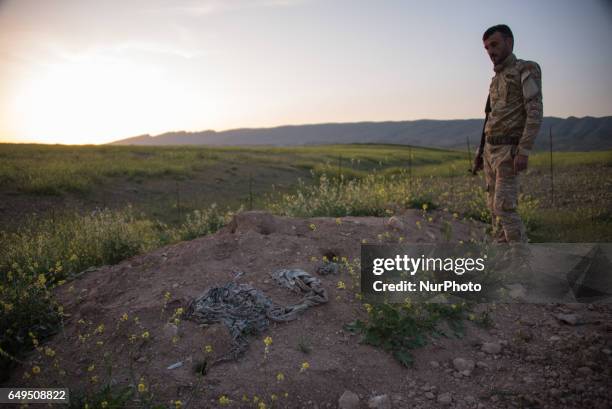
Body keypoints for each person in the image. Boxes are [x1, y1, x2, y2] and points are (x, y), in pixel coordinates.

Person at [472, 24, 543, 243]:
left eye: (494, 44)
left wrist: (524, 150)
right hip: (491, 152)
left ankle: (522, 263)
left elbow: (534, 110)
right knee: (494, 210)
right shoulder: (495, 80)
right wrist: (480, 152)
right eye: (486, 48)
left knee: (504, 207)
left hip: (508, 152)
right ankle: (504, 262)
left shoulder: (526, 69)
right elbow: (490, 118)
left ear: (509, 42)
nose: (490, 51)